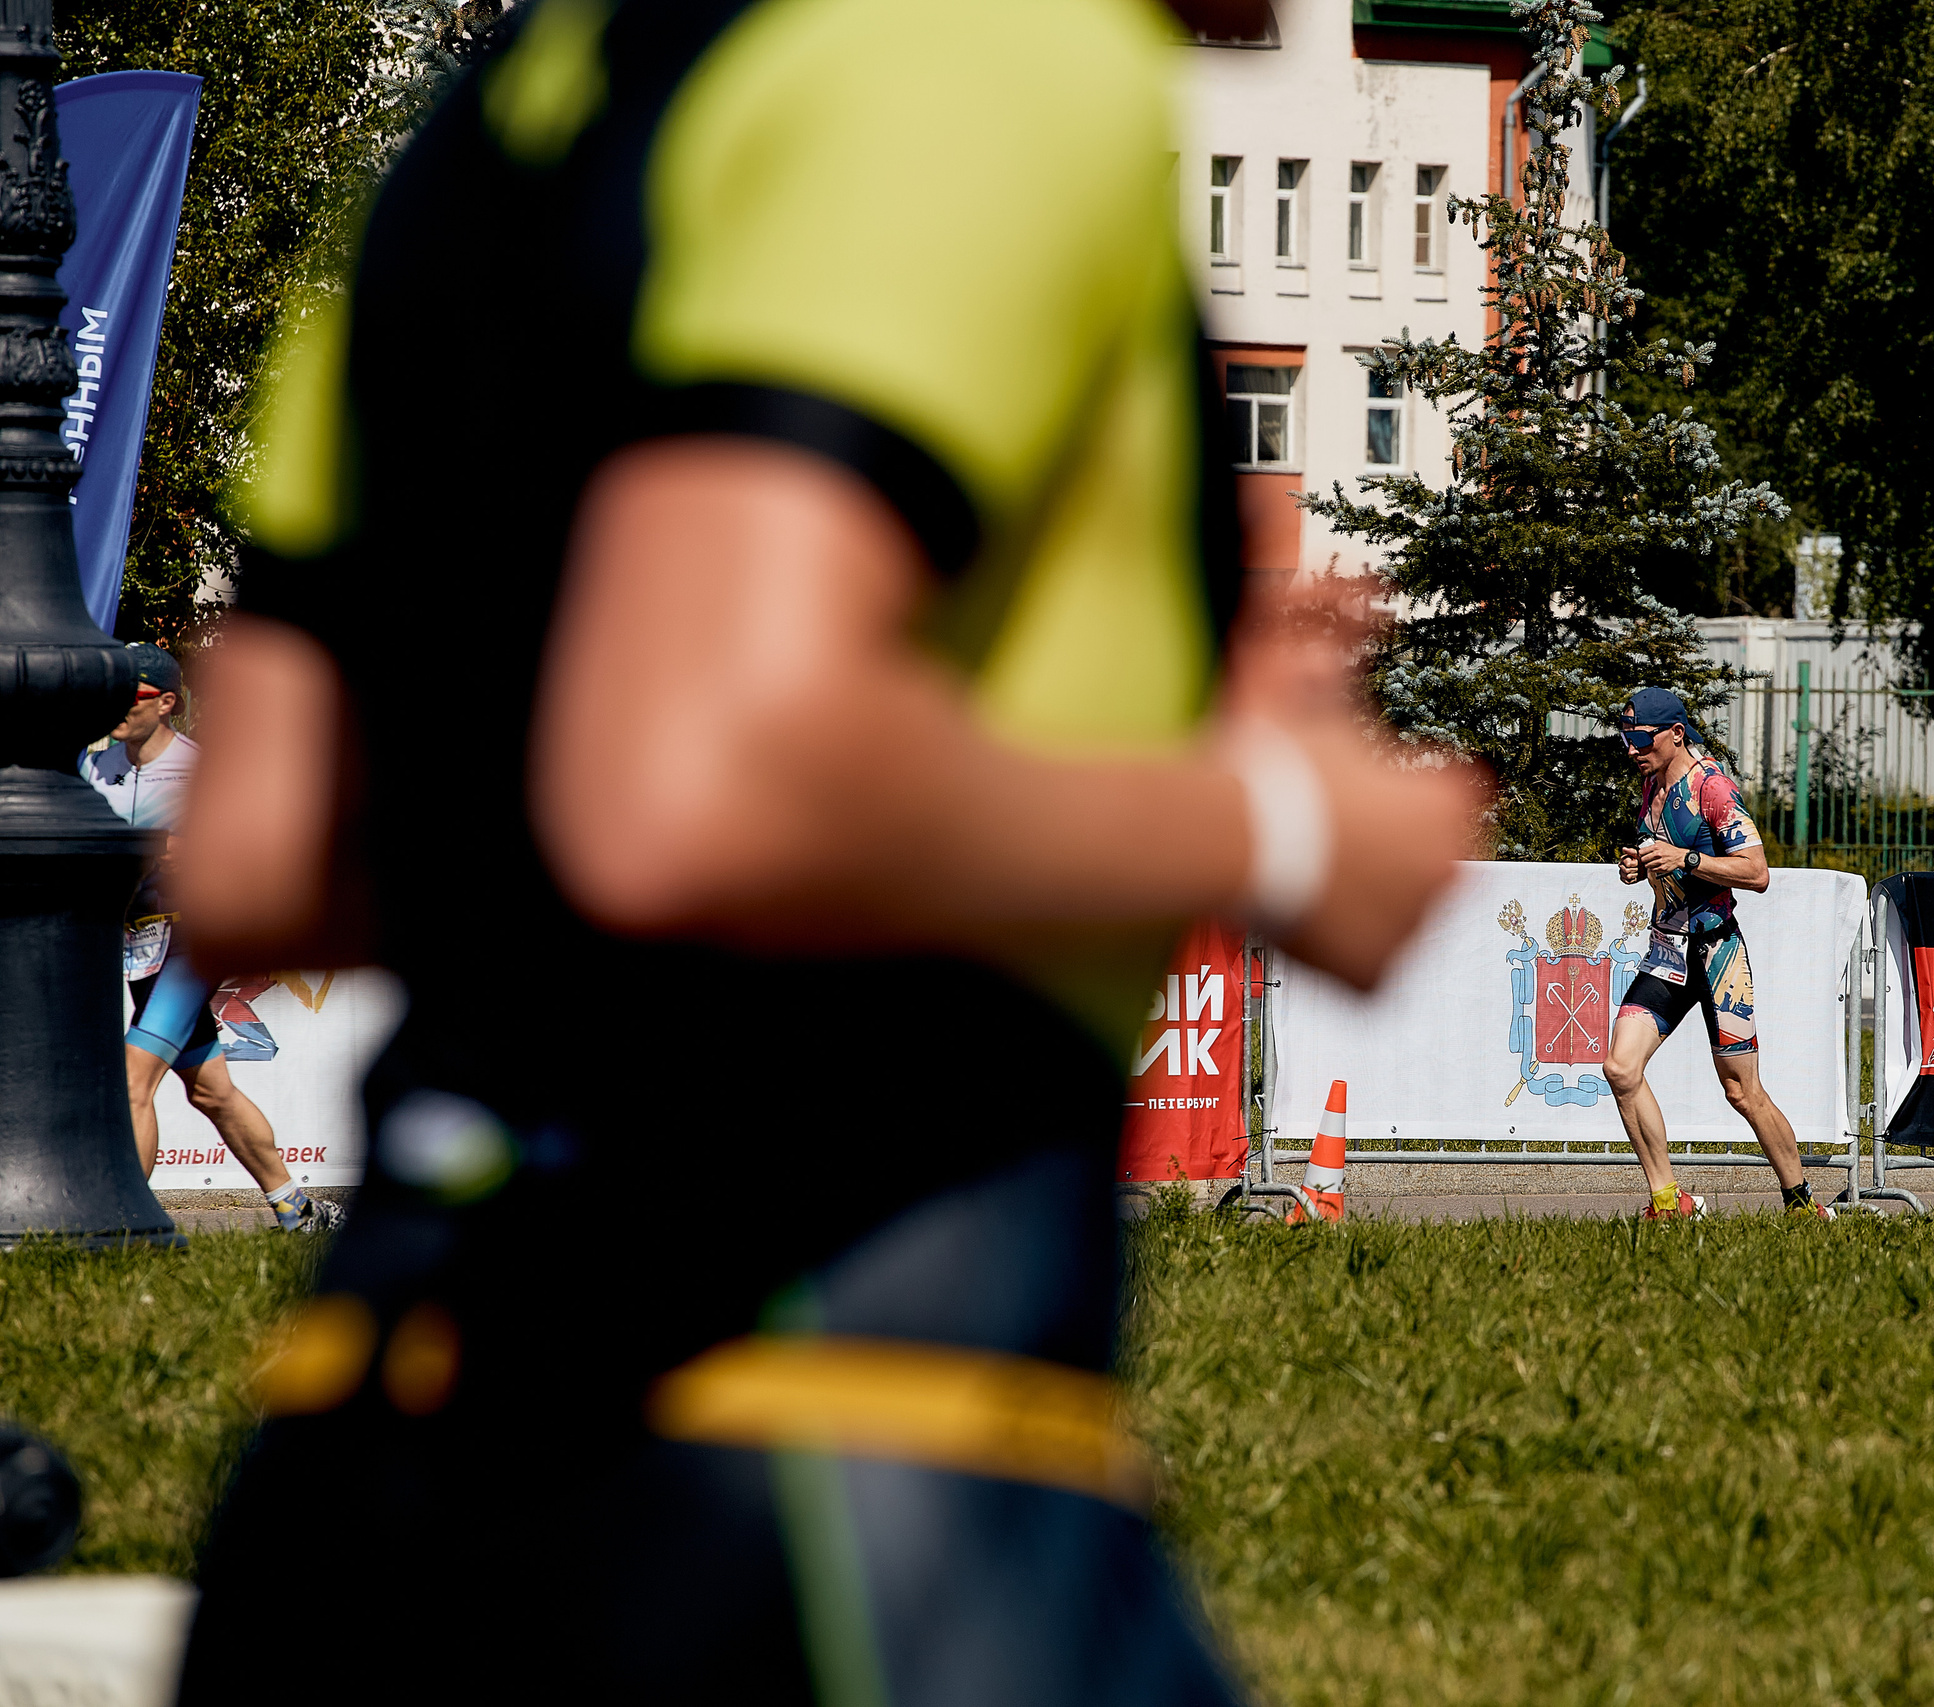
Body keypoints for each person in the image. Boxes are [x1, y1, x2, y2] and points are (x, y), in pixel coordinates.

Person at [168, 1, 1480, 1702]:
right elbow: (701, 782)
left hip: (357, 1465)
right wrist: (1285, 820)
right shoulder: (981, 56)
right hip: (822, 1474)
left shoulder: (494, 120)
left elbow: (261, 855)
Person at [78, 643, 336, 1234]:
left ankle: (126, 1231)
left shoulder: (201, 769)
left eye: (132, 695)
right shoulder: (94, 765)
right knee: (211, 1091)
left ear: (166, 703)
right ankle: (298, 1209)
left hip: (188, 947)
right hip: (137, 948)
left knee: (130, 1080)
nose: (117, 706)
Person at [1605, 686, 1830, 1222]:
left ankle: (1802, 1204)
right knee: (1620, 1068)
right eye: (1626, 737)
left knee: (1742, 1092)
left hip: (1716, 955)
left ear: (1676, 734)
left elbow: (1757, 872)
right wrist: (1639, 867)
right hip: (1667, 952)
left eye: (1642, 737)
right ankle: (1670, 1201)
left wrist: (1683, 856)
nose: (1632, 748)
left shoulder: (1712, 789)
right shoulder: (1650, 785)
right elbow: (1667, 864)